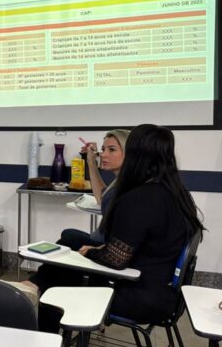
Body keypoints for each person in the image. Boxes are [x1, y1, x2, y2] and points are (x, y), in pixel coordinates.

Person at [24, 124, 204, 332]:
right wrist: (100, 251)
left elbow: (116, 260)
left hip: (137, 295)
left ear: (134, 154)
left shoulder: (141, 198)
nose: (104, 154)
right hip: (161, 292)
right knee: (64, 263)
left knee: (57, 281)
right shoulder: (177, 193)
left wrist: (91, 251)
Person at [60, 129, 129, 249]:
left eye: (112, 150)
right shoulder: (119, 181)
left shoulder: (130, 187)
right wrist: (91, 161)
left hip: (105, 246)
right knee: (67, 235)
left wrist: (96, 250)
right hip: (100, 240)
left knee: (67, 238)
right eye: (103, 149)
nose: (103, 154)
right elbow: (102, 198)